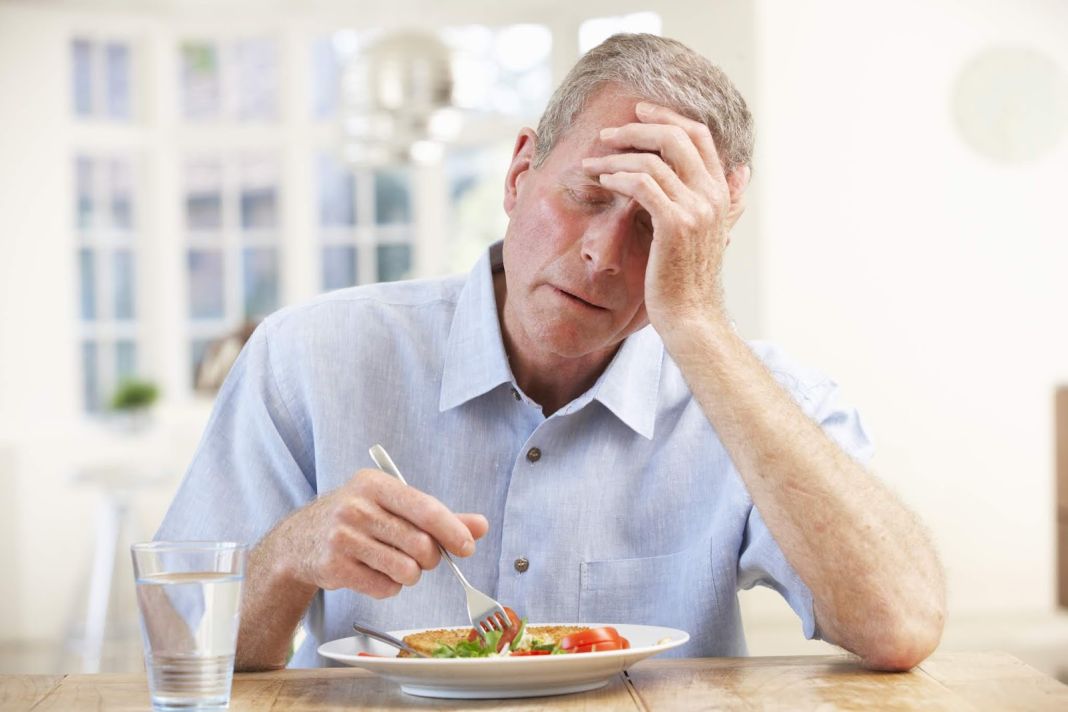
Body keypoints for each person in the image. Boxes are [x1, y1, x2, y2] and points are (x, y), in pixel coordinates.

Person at [156, 33, 945, 672]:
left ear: (708, 241)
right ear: (519, 172)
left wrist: (697, 321)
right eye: (588, 195)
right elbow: (181, 645)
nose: (603, 254)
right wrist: (292, 555)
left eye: (653, 226)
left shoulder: (767, 400)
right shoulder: (309, 355)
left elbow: (900, 625)